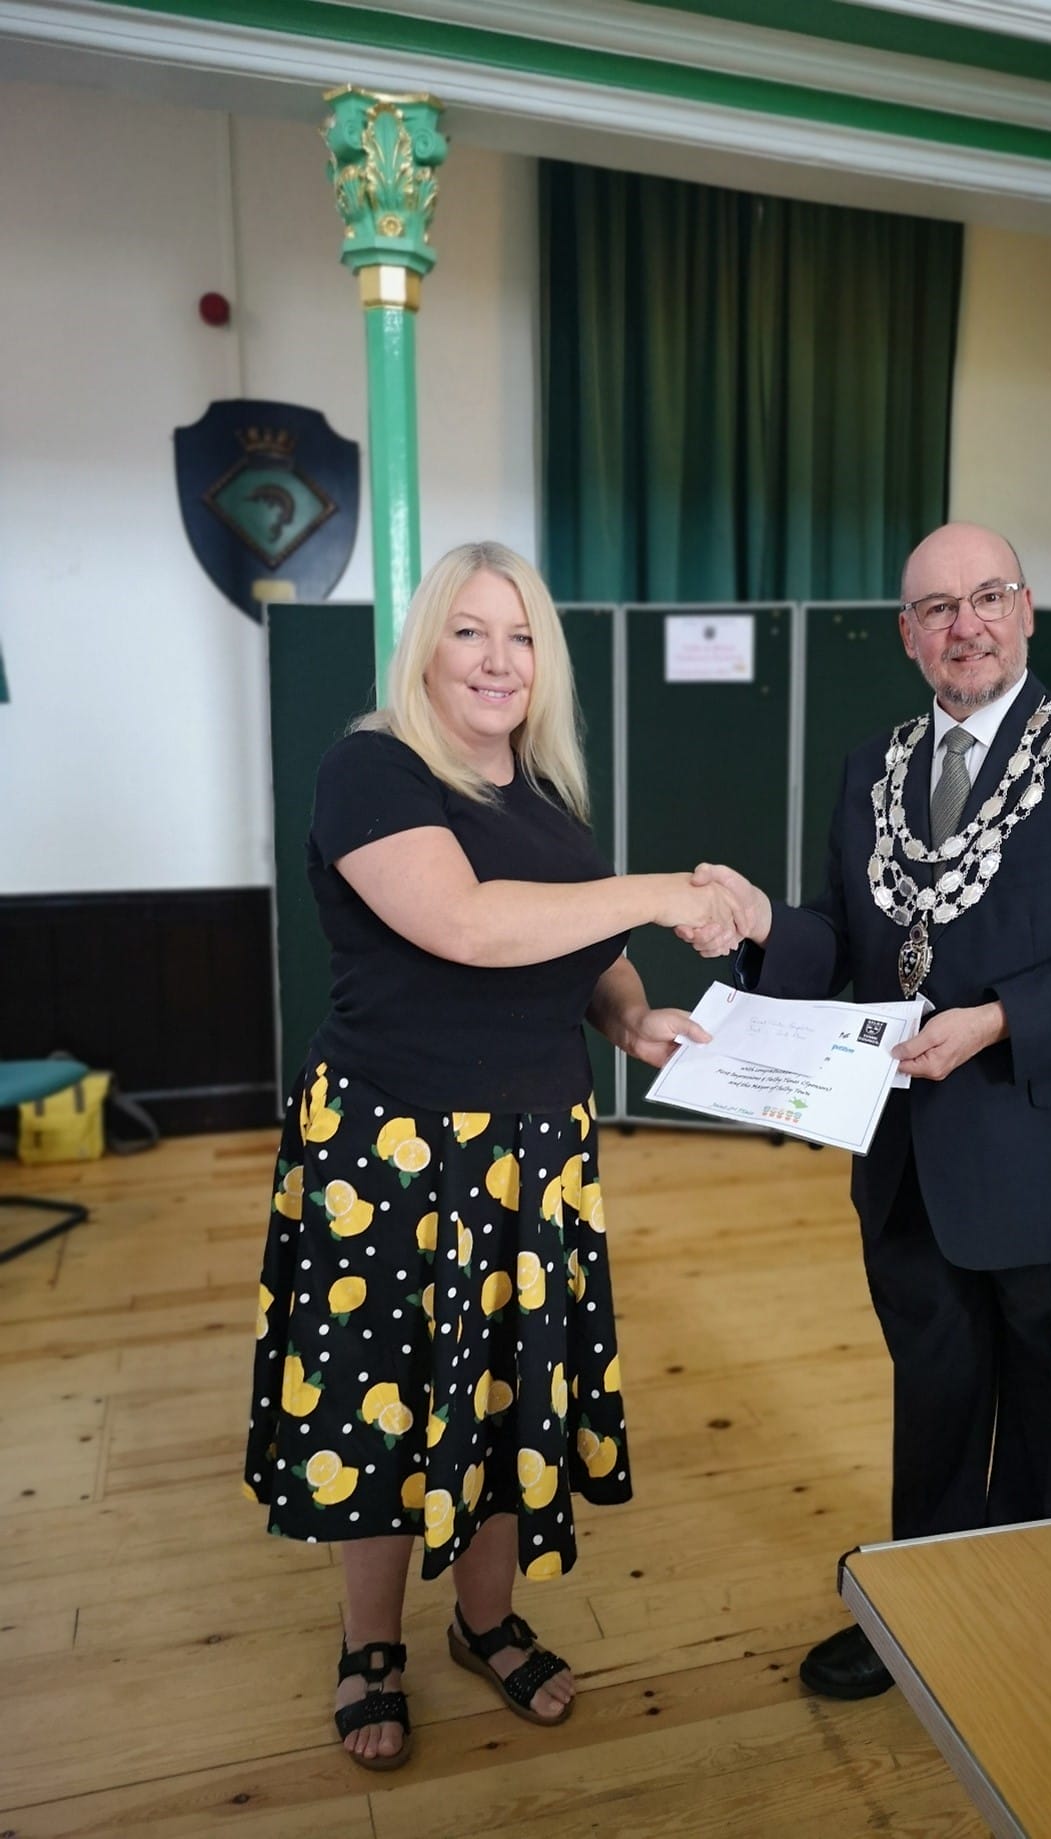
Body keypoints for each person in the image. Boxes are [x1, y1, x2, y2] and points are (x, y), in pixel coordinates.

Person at [244, 540, 746, 1768]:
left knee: (510, 1395)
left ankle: (485, 1621)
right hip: (393, 1149)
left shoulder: (547, 798)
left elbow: (579, 948)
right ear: (426, 647)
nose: (497, 658)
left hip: (534, 1150)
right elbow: (466, 924)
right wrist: (656, 891)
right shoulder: (371, 767)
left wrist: (629, 1016)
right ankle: (370, 1645)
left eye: (520, 636)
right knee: (382, 1402)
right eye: (469, 630)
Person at [688, 522, 1051, 1700]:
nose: (963, 625)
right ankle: (915, 1620)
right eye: (935, 608)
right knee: (933, 1407)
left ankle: (1041, 1645)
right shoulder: (870, 766)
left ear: (1026, 610)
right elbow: (846, 941)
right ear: (906, 635)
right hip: (912, 1164)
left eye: (985, 597)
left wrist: (998, 1019)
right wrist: (765, 923)